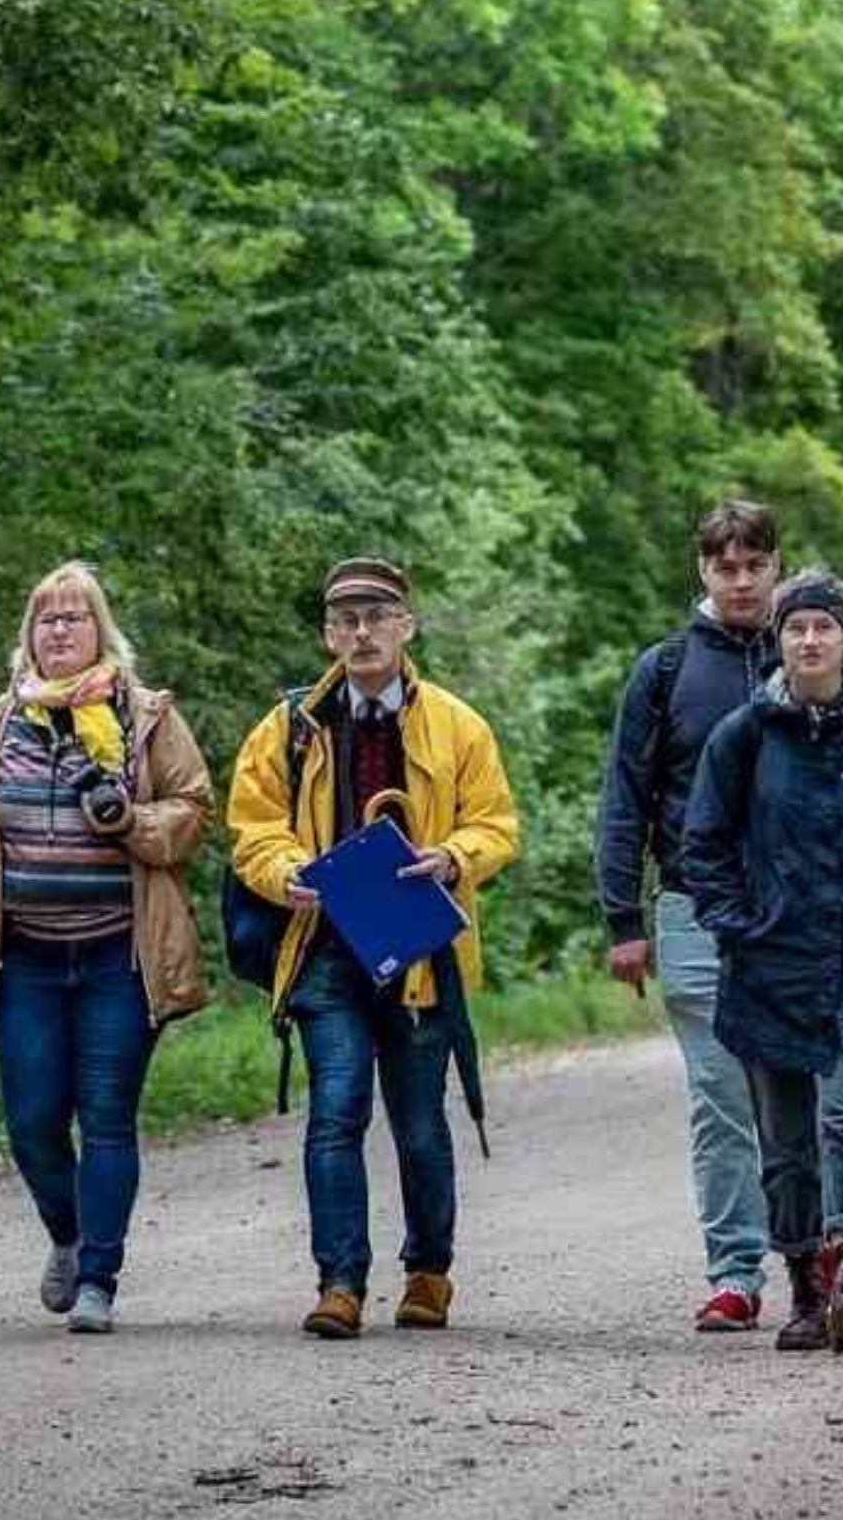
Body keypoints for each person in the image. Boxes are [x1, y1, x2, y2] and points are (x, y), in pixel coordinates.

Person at [228, 557, 520, 1340]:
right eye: (345, 620)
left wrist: (453, 856)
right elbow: (252, 827)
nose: (361, 633)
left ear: (406, 626)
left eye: (376, 617)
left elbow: (497, 823)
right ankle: (340, 1283)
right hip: (325, 950)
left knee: (420, 1123)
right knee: (336, 1111)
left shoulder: (458, 724)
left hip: (420, 952)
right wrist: (286, 870)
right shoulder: (287, 727)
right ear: (329, 635)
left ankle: (428, 1272)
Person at [0, 561, 211, 1334]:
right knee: (32, 1122)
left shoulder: (145, 715)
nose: (59, 629)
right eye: (45, 618)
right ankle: (69, 1231)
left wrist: (132, 822)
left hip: (120, 954)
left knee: (107, 1117)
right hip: (26, 960)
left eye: (74, 616)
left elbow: (193, 809)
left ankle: (97, 1281)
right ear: (29, 634)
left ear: (100, 629)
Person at [683, 570, 843, 1354]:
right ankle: (805, 1287)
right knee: (787, 1136)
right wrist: (737, 923)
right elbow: (704, 843)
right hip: (768, 960)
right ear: (780, 640)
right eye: (796, 628)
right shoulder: (743, 735)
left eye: (823, 626)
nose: (810, 639)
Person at [594, 501, 778, 1333]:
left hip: (797, 915)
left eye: (755, 565)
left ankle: (818, 1255)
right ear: (702, 570)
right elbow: (625, 799)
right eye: (725, 567)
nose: (741, 581)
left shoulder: (810, 647)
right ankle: (736, 1271)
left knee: (806, 1091)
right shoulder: (665, 669)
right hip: (692, 909)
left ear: (775, 567)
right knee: (721, 1096)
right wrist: (621, 918)